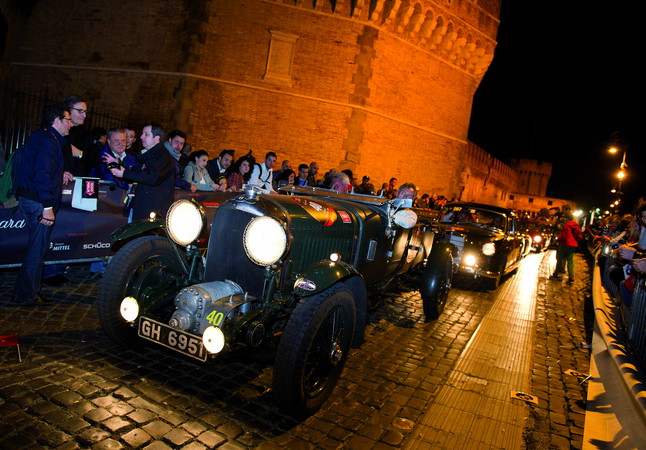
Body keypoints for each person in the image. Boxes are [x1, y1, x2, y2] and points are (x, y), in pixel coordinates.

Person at [13, 103, 73, 305]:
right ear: (57, 120)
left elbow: (38, 168)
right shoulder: (50, 141)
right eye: (68, 120)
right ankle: (27, 296)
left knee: (34, 250)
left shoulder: (41, 136)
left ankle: (23, 291)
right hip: (38, 203)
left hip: (30, 198)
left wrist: (60, 174)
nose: (70, 124)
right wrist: (47, 208)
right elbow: (41, 175)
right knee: (37, 252)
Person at [104, 123, 175, 221]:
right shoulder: (149, 156)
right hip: (143, 209)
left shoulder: (163, 157)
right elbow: (136, 172)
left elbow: (152, 177)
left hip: (153, 213)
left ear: (156, 138)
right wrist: (119, 165)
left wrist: (124, 173)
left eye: (146, 134)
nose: (141, 137)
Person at [61, 95, 100, 177]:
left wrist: (79, 153)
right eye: (80, 111)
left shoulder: (84, 133)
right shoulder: (58, 130)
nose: (84, 115)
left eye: (85, 111)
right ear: (68, 111)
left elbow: (95, 160)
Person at [549, 212, 583, 283]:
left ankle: (556, 274)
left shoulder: (566, 226)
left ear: (567, 219)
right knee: (570, 261)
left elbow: (563, 237)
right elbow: (579, 237)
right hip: (573, 245)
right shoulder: (576, 226)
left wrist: (557, 240)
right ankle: (571, 277)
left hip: (565, 244)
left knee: (560, 259)